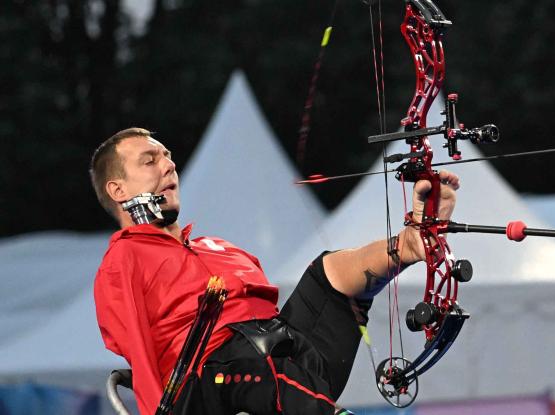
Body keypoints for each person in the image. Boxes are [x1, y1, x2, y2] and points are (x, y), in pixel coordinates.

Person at [91, 127, 459, 415]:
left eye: (168, 157)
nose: (169, 165)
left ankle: (410, 243)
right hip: (212, 385)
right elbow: (138, 350)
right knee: (246, 360)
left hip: (284, 358)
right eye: (149, 160)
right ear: (118, 189)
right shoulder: (124, 257)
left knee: (327, 270)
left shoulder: (221, 248)